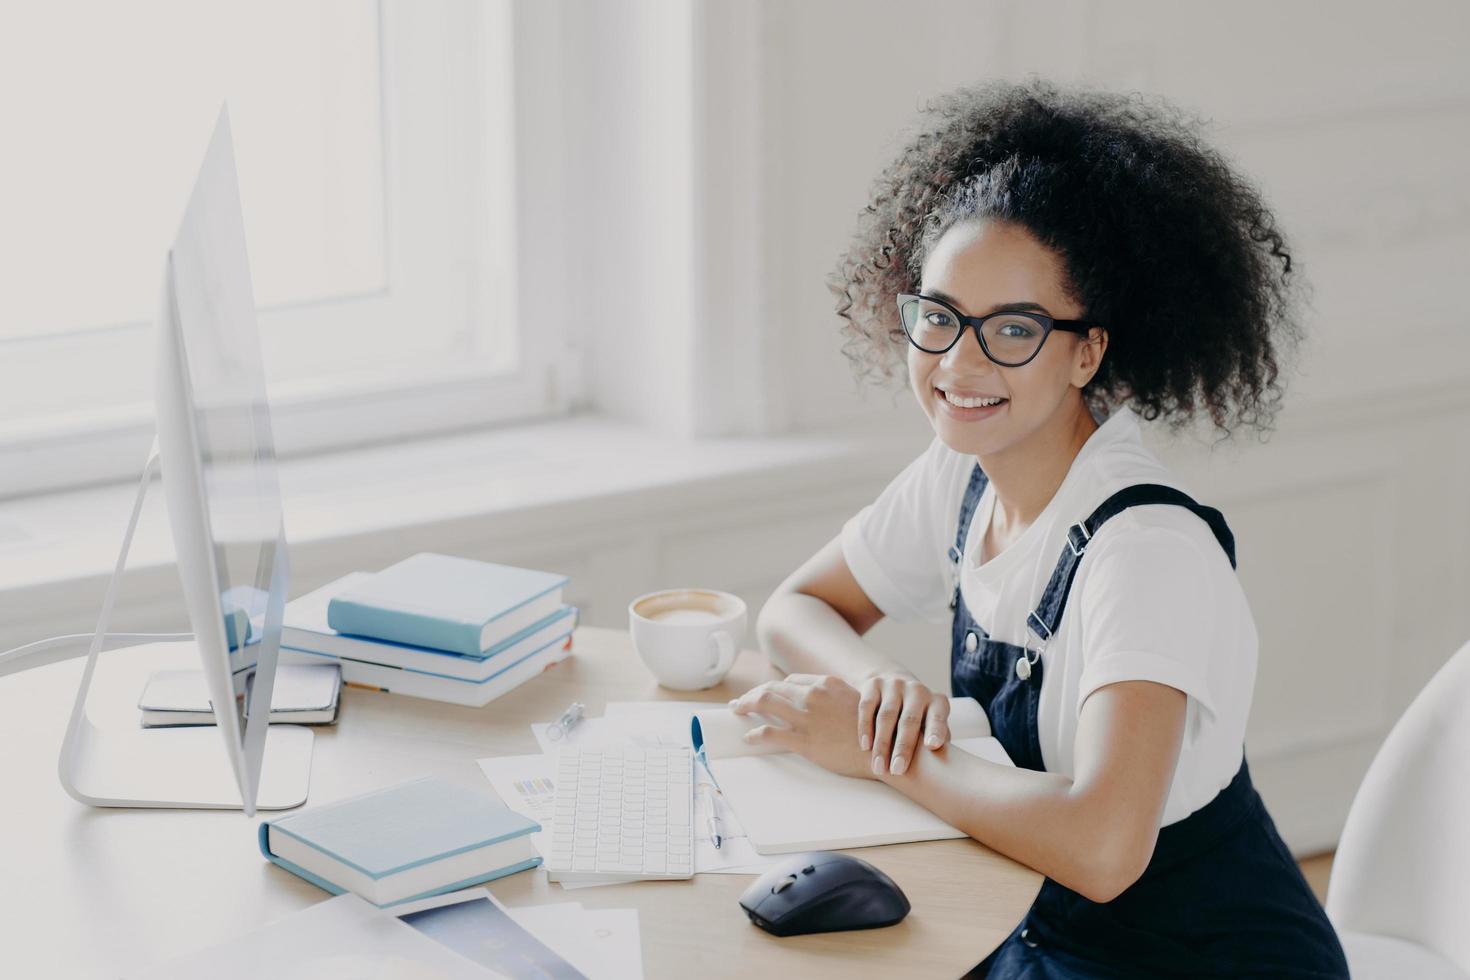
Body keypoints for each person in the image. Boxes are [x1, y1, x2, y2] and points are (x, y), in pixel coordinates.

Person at [734, 77, 1350, 978]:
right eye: (938, 318)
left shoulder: (1144, 554)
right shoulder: (964, 472)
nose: (958, 361)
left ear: (1087, 351)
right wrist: (882, 699)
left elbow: (1103, 848)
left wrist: (884, 756)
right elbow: (794, 610)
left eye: (1012, 329)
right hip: (1032, 928)